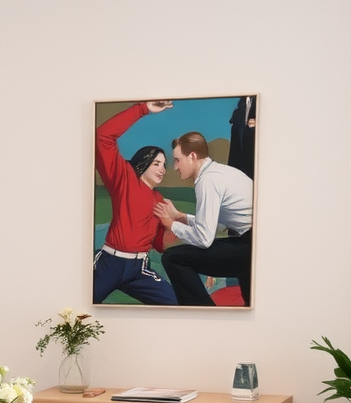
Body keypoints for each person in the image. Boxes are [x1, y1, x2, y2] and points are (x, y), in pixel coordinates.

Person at [93, 100, 178, 305]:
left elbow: (159, 244)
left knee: (176, 303)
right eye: (156, 163)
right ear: (143, 163)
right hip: (109, 264)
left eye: (164, 165)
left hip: (138, 270)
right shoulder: (124, 180)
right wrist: (143, 109)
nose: (162, 169)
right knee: (77, 308)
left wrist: (170, 225)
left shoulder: (159, 200)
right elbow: (103, 136)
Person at [155, 131, 253, 306]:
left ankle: (204, 311)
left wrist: (171, 224)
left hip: (249, 246)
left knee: (173, 258)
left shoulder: (207, 180)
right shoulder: (220, 172)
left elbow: (204, 238)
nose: (175, 167)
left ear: (192, 156)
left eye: (177, 160)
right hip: (252, 243)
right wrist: (181, 217)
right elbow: (217, 224)